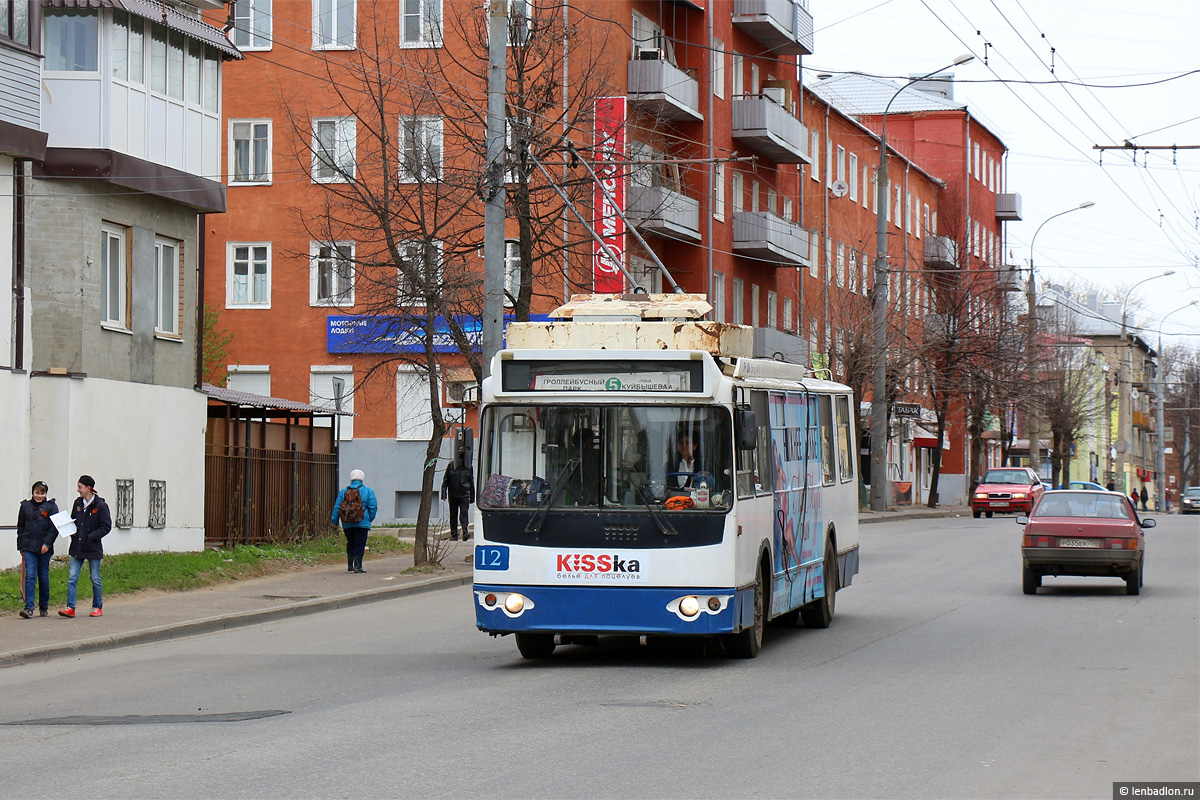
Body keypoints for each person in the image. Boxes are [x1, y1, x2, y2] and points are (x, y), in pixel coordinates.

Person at [60, 475, 111, 618]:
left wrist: (91, 537)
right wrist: (70, 531)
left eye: (80, 487)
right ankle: (70, 607)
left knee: (95, 578)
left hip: (93, 547)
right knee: (72, 577)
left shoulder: (100, 506)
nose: (78, 490)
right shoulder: (78, 503)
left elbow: (106, 526)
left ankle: (97, 606)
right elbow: (73, 521)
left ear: (89, 488)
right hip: (77, 546)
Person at [16, 481, 60, 619]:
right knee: (30, 575)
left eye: (42, 493)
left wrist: (47, 544)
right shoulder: (25, 506)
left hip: (44, 548)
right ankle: (29, 607)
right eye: (37, 493)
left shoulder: (52, 507)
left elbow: (54, 528)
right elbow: (20, 527)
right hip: (28, 546)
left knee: (43, 576)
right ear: (33, 493)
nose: (39, 496)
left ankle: (43, 606)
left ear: (46, 494)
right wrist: (21, 546)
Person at [332, 469, 377, 573]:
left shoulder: (343, 491)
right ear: (362, 478)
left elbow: (337, 507)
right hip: (362, 523)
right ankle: (358, 566)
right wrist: (369, 519)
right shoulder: (368, 491)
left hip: (347, 522)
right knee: (359, 543)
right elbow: (373, 507)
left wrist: (334, 521)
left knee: (350, 542)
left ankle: (350, 565)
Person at [441, 461, 475, 541]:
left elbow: (471, 481)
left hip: (465, 494)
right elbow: (445, 480)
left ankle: (465, 532)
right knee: (453, 515)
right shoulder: (451, 465)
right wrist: (443, 494)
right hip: (453, 495)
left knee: (464, 514)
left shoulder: (468, 466)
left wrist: (472, 497)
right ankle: (454, 534)